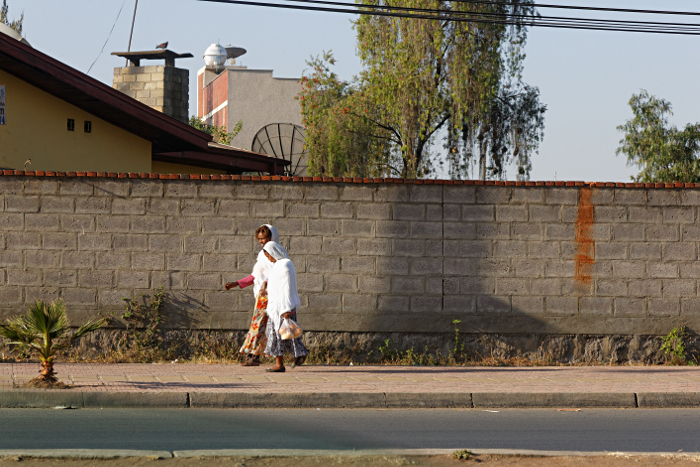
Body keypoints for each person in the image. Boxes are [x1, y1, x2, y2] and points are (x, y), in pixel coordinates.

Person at [225, 224, 279, 366]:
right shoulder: (262, 255)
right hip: (261, 297)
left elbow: (277, 273)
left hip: (270, 296)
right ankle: (255, 355)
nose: (262, 242)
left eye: (265, 238)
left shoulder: (276, 254)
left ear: (271, 238)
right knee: (261, 326)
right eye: (260, 239)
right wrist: (236, 283)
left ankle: (253, 355)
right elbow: (255, 276)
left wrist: (266, 284)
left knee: (258, 326)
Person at [262, 241, 308, 373]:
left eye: (269, 255)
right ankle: (288, 359)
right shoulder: (277, 266)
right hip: (276, 307)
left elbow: (287, 287)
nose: (269, 258)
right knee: (278, 335)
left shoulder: (285, 264)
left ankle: (294, 356)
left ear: (274, 252)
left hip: (284, 307)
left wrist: (287, 308)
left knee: (284, 335)